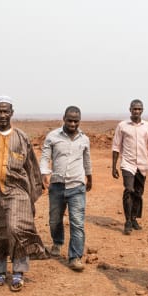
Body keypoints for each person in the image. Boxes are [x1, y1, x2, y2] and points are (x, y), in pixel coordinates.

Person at [0, 95, 47, 292]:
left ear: (12, 112)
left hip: (18, 192)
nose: (2, 115)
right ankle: (1, 270)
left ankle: (19, 272)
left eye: (6, 111)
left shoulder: (21, 137)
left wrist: (32, 197)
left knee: (16, 228)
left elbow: (31, 167)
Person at [40, 106, 92, 272]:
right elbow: (45, 157)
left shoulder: (84, 139)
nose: (72, 123)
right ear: (64, 118)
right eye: (69, 120)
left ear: (79, 121)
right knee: (55, 220)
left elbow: (87, 160)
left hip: (77, 185)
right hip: (57, 185)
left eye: (76, 121)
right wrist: (44, 174)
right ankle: (57, 243)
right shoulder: (52, 137)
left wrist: (89, 177)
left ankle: (75, 257)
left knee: (77, 223)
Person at [111, 99, 148, 235]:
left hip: (143, 164)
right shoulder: (122, 126)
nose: (136, 111)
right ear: (130, 109)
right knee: (128, 189)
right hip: (128, 163)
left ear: (142, 110)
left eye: (139, 109)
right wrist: (113, 167)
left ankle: (134, 219)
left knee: (138, 193)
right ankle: (127, 221)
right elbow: (116, 146)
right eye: (134, 109)